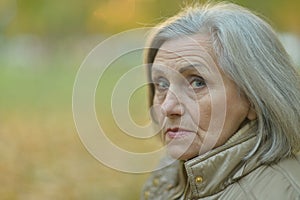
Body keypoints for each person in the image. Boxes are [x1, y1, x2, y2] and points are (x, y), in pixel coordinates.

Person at [141, 2, 300, 200]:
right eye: (162, 84)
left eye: (197, 83)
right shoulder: (171, 176)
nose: (167, 107)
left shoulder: (280, 193)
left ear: (253, 98)